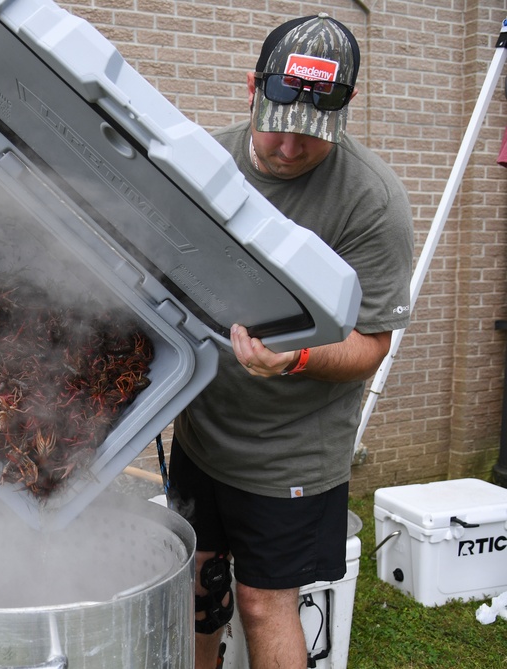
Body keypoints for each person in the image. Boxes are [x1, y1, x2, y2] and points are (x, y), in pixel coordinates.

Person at [169, 14, 414, 669]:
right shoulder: (201, 163)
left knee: (260, 602)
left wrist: (296, 357)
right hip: (203, 431)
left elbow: (371, 345)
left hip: (291, 455)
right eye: (276, 121)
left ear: (345, 107)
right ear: (252, 85)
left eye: (309, 136)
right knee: (198, 589)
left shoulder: (371, 201)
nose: (285, 148)